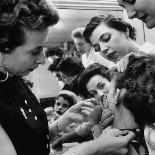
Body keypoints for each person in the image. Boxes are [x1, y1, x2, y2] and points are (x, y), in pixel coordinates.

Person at [0, 1, 100, 155]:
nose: (42, 59)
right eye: (35, 51)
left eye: (43, 47)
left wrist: (64, 120)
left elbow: (27, 142)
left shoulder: (14, 79)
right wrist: (95, 148)